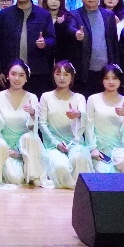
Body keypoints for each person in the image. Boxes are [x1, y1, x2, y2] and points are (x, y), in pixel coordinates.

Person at [0, 0, 55, 96]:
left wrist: (45, 43)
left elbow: (52, 39)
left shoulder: (43, 15)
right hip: (10, 72)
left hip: (37, 72)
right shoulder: (4, 15)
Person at [38, 60, 93, 189]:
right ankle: (71, 189)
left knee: (79, 159)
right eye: (58, 74)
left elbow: (84, 116)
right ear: (53, 76)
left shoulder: (79, 97)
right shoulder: (46, 97)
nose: (62, 78)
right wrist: (56, 143)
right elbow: (42, 123)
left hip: (75, 143)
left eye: (66, 74)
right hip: (53, 145)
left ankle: (80, 191)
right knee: (60, 167)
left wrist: (78, 114)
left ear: (72, 77)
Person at [0, 61, 48, 187]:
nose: (17, 78)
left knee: (29, 137)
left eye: (21, 75)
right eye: (13, 74)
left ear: (26, 78)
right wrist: (7, 150)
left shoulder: (32, 98)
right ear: (8, 76)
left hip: (26, 146)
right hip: (6, 146)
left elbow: (33, 129)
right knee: (16, 179)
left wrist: (32, 114)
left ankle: (34, 175)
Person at [86, 65, 124, 173]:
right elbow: (88, 125)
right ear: (102, 80)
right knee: (104, 173)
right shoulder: (93, 99)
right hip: (99, 147)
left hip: (119, 147)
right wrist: (92, 148)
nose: (111, 82)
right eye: (107, 78)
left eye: (114, 78)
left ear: (120, 80)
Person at [75, 0, 120, 97]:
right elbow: (70, 29)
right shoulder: (74, 15)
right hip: (84, 73)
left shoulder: (109, 15)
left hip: (106, 72)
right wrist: (76, 34)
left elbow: (114, 43)